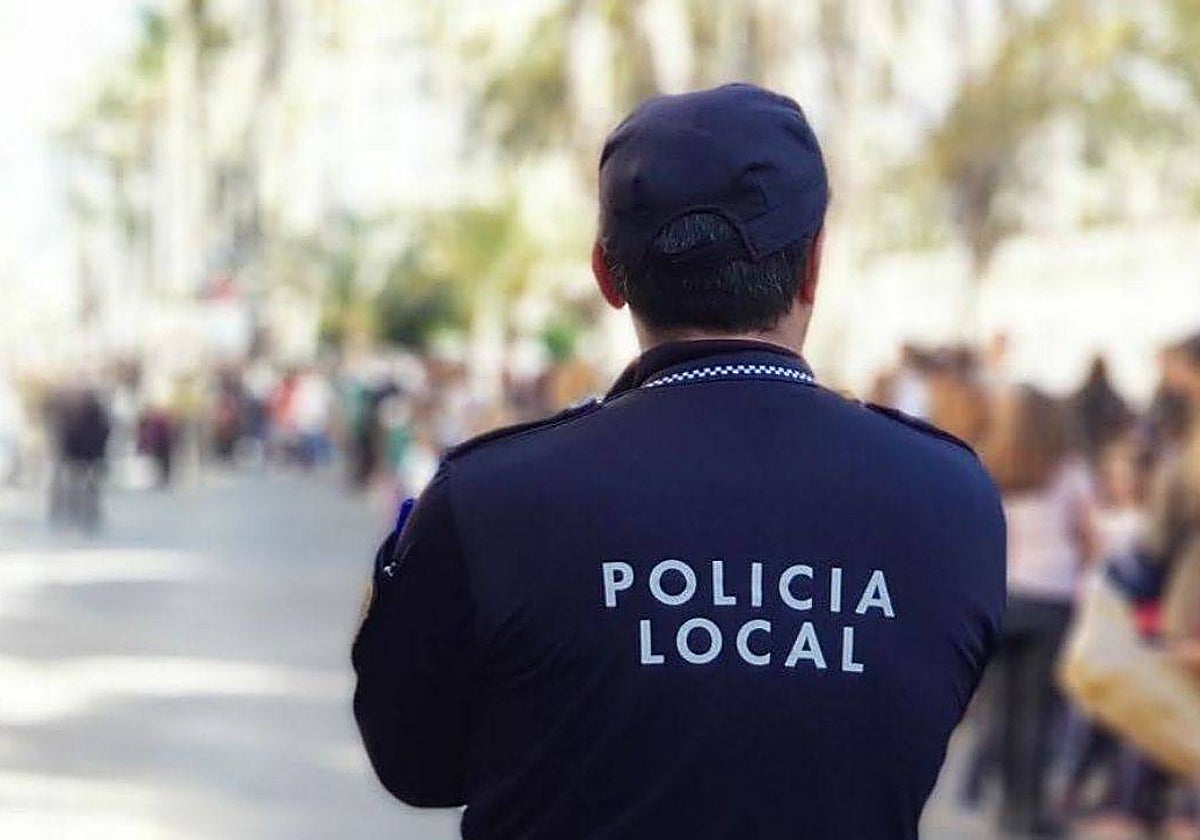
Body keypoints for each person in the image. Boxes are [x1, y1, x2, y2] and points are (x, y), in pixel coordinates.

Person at [352, 84, 1006, 840]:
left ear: (606, 274)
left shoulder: (490, 497)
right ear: (813, 267)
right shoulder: (949, 497)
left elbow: (416, 762)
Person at [978, 385, 1096, 836]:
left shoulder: (991, 466)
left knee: (1003, 708)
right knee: (1038, 712)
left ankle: (1006, 806)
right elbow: (1089, 538)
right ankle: (1029, 809)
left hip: (1004, 596)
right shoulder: (1069, 471)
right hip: (1052, 599)